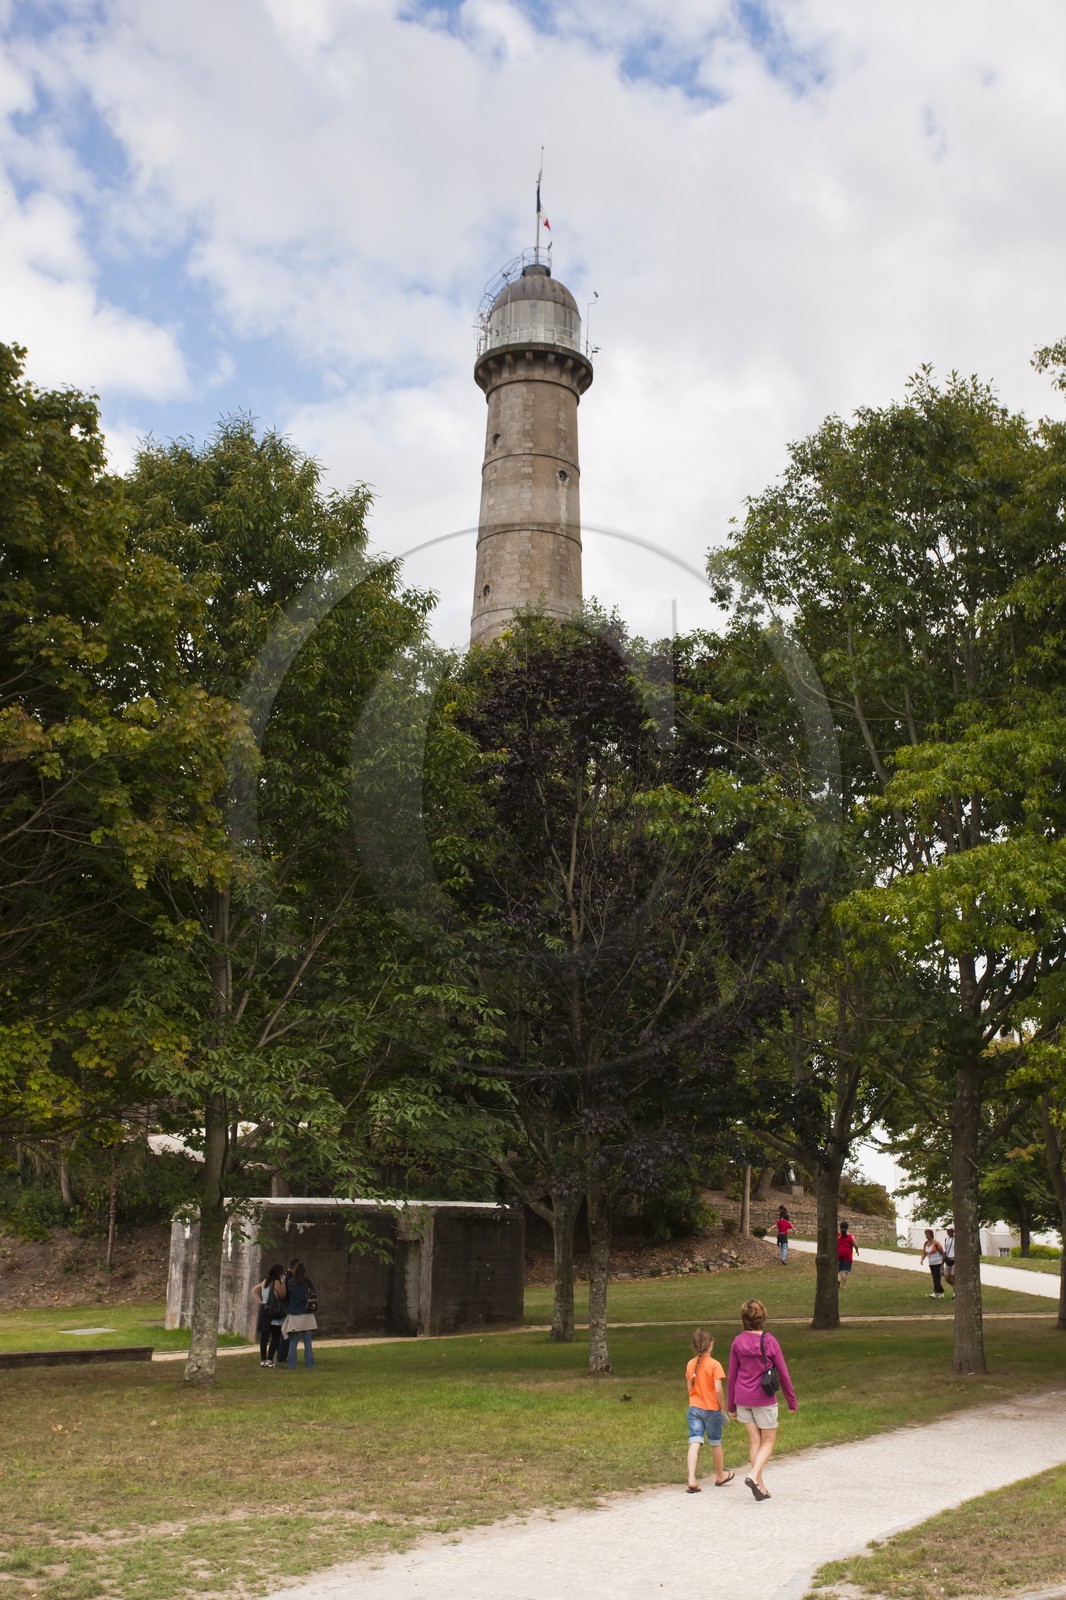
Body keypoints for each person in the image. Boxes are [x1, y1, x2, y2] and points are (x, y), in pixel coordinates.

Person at [727, 1299, 797, 1502]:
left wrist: (730, 1404)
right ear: (762, 1318)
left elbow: (732, 1374)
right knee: (768, 1440)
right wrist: (791, 1401)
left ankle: (760, 1486)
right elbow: (783, 1373)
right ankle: (752, 1475)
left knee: (755, 1441)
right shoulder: (769, 1341)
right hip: (763, 1399)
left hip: (742, 1397)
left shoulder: (737, 1341)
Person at [684, 1328, 734, 1493]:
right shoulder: (714, 1365)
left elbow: (689, 1389)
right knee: (715, 1442)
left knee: (695, 1440)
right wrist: (722, 1406)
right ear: (710, 1344)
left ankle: (691, 1478)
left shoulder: (690, 1364)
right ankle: (720, 1475)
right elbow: (718, 1390)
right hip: (712, 1409)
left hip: (694, 1408)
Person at [282, 1261, 318, 1368]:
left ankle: (292, 1365)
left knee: (293, 1342)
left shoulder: (290, 1283)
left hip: (294, 1314)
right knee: (308, 1342)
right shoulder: (308, 1283)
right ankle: (310, 1364)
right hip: (307, 1314)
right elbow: (313, 1296)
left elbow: (285, 1297)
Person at [252, 1262, 287, 1367]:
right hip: (275, 1312)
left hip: (265, 1311)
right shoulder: (276, 1282)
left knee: (264, 1337)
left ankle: (263, 1360)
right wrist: (283, 1282)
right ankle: (270, 1359)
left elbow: (254, 1290)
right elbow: (282, 1295)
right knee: (275, 1337)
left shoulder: (265, 1281)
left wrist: (260, 1302)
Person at [920, 1228, 946, 1297]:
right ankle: (941, 1292)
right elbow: (924, 1253)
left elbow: (942, 1252)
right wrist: (922, 1259)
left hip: (938, 1262)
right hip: (931, 1263)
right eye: (926, 1235)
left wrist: (943, 1262)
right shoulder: (926, 1243)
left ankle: (935, 1293)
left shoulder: (936, 1243)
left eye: (928, 1234)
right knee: (935, 1278)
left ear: (931, 1235)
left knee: (936, 1278)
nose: (927, 1236)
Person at [837, 1222, 859, 1287]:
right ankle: (844, 1286)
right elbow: (856, 1245)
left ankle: (838, 1279)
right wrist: (857, 1251)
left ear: (840, 1228)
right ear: (847, 1228)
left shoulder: (838, 1235)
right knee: (845, 1271)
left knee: (837, 1270)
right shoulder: (850, 1236)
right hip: (847, 1255)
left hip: (839, 1254)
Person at [943, 1226, 956, 1297]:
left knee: (954, 1278)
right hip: (948, 1259)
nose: (948, 1231)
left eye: (949, 1230)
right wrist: (944, 1258)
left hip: (954, 1260)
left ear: (953, 1231)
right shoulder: (946, 1239)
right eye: (947, 1230)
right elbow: (945, 1249)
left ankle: (954, 1295)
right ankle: (957, 1288)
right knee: (947, 1278)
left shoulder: (956, 1239)